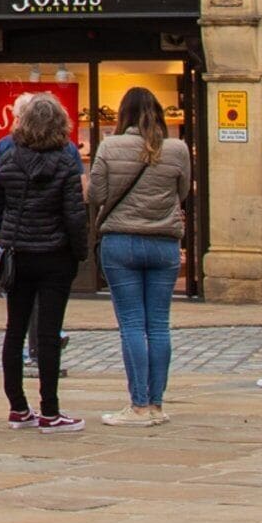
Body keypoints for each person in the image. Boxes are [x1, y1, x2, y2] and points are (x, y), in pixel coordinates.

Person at [0, 96, 89, 430]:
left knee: (15, 329)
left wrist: (4, 237)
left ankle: (18, 407)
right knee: (48, 333)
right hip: (55, 255)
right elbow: (75, 213)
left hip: (18, 254)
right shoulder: (67, 162)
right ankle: (50, 410)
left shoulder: (9, 158)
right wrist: (80, 251)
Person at [90, 88, 190, 427]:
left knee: (132, 324)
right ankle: (157, 404)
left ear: (123, 114)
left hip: (121, 241)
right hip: (163, 243)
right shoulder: (177, 149)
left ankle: (138, 405)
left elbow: (97, 195)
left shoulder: (109, 146)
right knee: (158, 325)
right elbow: (184, 191)